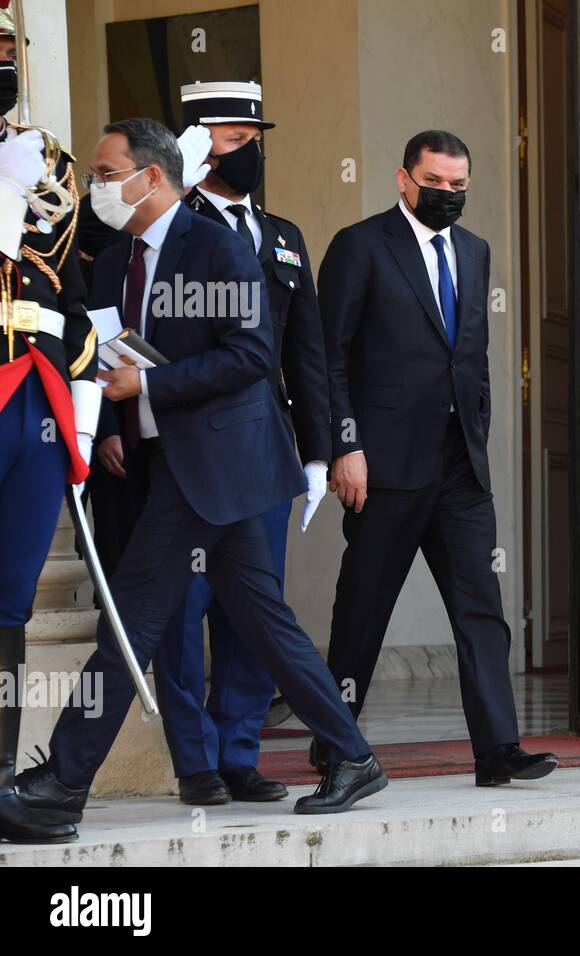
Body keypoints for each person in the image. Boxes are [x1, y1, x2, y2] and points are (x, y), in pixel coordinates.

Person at [15, 118, 386, 821]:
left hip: (221, 463)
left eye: (104, 172)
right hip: (176, 467)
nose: (97, 187)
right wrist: (118, 420)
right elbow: (113, 350)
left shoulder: (215, 246)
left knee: (129, 619)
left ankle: (62, 785)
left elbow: (251, 355)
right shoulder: (116, 260)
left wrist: (148, 389)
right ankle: (356, 757)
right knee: (264, 625)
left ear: (152, 177)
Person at [319, 129, 555, 787]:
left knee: (482, 608)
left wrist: (477, 428)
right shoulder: (360, 246)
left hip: (459, 465)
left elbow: (469, 354)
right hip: (383, 464)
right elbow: (328, 358)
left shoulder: (475, 252)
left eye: (458, 186)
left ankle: (497, 749)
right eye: (435, 183)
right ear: (403, 179)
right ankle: (335, 743)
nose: (447, 195)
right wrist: (345, 445)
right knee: (363, 609)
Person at [131, 80, 330, 807]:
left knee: (254, 608)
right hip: (180, 444)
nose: (248, 152)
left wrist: (317, 450)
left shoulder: (283, 237)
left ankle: (240, 752)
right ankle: (197, 762)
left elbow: (305, 354)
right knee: (181, 609)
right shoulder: (164, 228)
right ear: (192, 145)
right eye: (231, 139)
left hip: (258, 448)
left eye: (253, 140)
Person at [0, 35, 98, 844]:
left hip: (32, 393)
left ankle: (0, 779)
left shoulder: (49, 159)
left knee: (11, 597)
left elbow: (69, 275)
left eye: (6, 46)